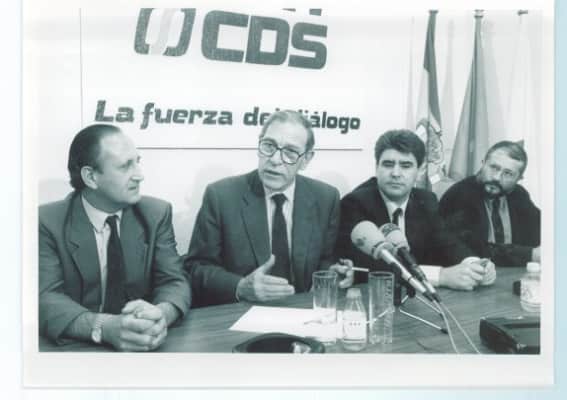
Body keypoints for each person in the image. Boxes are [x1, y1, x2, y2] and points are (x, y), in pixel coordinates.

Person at [39, 124, 191, 351]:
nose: (139, 175)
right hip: (77, 350)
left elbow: (174, 281)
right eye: (125, 166)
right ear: (91, 177)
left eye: (137, 162)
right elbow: (45, 298)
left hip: (142, 345)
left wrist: (161, 314)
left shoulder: (155, 214)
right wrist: (103, 327)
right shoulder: (46, 221)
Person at [185, 110, 353, 307]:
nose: (274, 159)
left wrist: (333, 273)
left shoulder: (325, 198)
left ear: (306, 159)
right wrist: (240, 286)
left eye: (290, 152)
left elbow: (327, 259)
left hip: (303, 311)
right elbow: (196, 268)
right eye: (268, 146)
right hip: (242, 312)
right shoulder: (221, 196)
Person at [336, 129, 496, 291]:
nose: (396, 173)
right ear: (376, 167)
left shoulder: (426, 200)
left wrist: (474, 264)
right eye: (388, 164)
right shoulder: (355, 203)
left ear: (420, 171)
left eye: (406, 166)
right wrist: (441, 276)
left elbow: (447, 242)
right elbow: (368, 266)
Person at [439, 141, 541, 266]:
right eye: (494, 168)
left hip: (512, 272)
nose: (497, 177)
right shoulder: (460, 195)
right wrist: (530, 254)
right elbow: (473, 249)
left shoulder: (518, 194)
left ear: (519, 179)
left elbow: (541, 230)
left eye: (508, 173)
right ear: (483, 164)